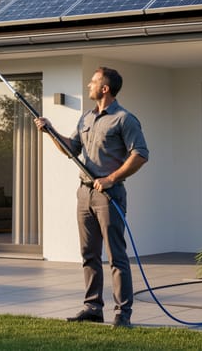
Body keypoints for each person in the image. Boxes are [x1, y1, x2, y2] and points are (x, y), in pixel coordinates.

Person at [35, 66, 148, 328]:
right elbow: (71, 149)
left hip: (109, 195)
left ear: (105, 88)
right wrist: (50, 130)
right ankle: (93, 307)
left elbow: (140, 154)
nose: (89, 85)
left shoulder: (124, 119)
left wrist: (112, 178)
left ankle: (123, 313)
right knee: (89, 254)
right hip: (84, 193)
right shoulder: (86, 117)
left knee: (116, 256)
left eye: (93, 82)